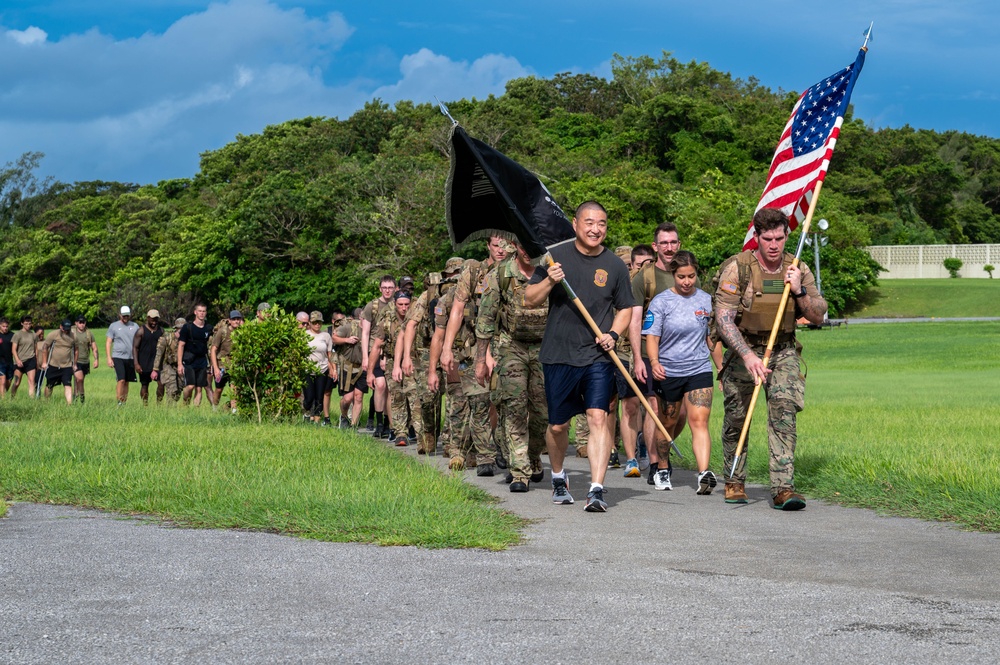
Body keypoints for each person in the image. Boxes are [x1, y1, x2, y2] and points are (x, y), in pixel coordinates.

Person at [524, 201, 634, 513]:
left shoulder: (615, 265)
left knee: (598, 417)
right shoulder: (554, 256)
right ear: (575, 224)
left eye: (601, 223)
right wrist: (550, 280)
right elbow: (529, 299)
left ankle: (597, 488)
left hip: (597, 356)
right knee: (558, 425)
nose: (595, 229)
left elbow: (626, 308)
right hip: (558, 354)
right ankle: (559, 476)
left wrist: (613, 334)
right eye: (589, 222)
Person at [714, 207, 827, 510]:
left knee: (783, 413)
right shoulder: (738, 268)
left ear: (787, 235)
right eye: (767, 239)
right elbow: (723, 319)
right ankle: (735, 480)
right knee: (738, 416)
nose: (774, 245)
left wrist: (799, 291)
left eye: (779, 238)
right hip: (744, 349)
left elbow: (817, 315)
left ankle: (783, 487)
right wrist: (748, 356)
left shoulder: (798, 268)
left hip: (783, 349)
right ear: (757, 237)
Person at [642, 251, 722, 493]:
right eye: (681, 277)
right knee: (667, 422)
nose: (687, 281)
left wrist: (721, 368)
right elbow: (652, 337)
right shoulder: (661, 302)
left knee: (700, 421)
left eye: (691, 276)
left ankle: (704, 473)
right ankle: (663, 468)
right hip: (669, 371)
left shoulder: (706, 300)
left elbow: (712, 339)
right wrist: (654, 363)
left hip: (698, 368)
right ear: (673, 275)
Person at [475, 242, 549, 491]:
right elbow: (485, 318)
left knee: (542, 413)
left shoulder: (551, 268)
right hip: (510, 347)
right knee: (514, 408)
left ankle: (532, 455)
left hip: (544, 348)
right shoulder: (499, 274)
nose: (527, 251)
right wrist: (480, 360)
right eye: (522, 245)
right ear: (515, 246)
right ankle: (519, 472)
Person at [629, 222, 697, 486]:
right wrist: (638, 358)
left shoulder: (688, 272)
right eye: (664, 243)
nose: (669, 247)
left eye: (673, 242)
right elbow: (635, 321)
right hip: (651, 350)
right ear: (655, 246)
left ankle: (661, 450)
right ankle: (656, 465)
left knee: (679, 414)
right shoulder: (643, 278)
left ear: (678, 244)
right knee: (655, 408)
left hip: (682, 354)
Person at [428, 257, 496, 473]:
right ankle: (457, 450)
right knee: (458, 405)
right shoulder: (447, 301)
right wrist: (433, 370)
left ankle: (480, 453)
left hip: (480, 356)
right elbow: (438, 337)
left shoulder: (486, 294)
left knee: (481, 404)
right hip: (457, 358)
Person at [402, 264, 461, 455]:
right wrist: (406, 357)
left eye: (458, 275)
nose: (454, 279)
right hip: (428, 350)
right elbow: (411, 325)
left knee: (456, 397)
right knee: (428, 398)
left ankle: (451, 440)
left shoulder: (468, 293)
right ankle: (428, 433)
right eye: (452, 275)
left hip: (458, 349)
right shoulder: (429, 295)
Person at [367, 290, 414, 446]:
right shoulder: (386, 320)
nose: (404, 308)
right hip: (392, 360)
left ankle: (414, 428)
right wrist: (369, 372)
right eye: (400, 304)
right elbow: (376, 346)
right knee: (396, 395)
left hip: (413, 361)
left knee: (414, 397)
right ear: (395, 304)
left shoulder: (416, 317)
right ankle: (399, 432)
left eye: (407, 304)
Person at [360, 275, 397, 437]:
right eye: (384, 287)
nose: (387, 290)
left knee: (390, 388)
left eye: (390, 287)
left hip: (392, 352)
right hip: (374, 350)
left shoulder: (399, 304)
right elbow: (365, 333)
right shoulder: (372, 306)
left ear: (395, 288)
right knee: (380, 385)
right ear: (380, 289)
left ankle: (390, 424)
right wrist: (365, 358)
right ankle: (379, 422)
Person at [332, 309, 368, 428]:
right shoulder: (348, 327)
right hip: (347, 366)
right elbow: (334, 338)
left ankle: (354, 425)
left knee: (358, 396)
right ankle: (344, 416)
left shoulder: (371, 330)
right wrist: (346, 340)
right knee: (347, 398)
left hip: (363, 367)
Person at [177, 303, 214, 406]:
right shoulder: (187, 327)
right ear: (195, 312)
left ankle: (195, 411)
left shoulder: (208, 328)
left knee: (199, 388)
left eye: (204, 311)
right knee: (190, 386)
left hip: (202, 361)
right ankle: (185, 403)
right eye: (200, 311)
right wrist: (180, 364)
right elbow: (181, 345)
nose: (202, 313)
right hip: (189, 360)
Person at [303, 311, 335, 424]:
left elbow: (329, 354)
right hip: (307, 369)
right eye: (315, 322)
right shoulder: (304, 335)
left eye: (319, 322)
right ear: (310, 323)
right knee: (309, 397)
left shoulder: (326, 336)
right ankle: (307, 413)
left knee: (319, 396)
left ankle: (316, 419)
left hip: (322, 369)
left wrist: (333, 369)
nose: (317, 325)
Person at [106, 306, 140, 405]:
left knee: (127, 381)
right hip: (118, 356)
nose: (125, 317)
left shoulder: (135, 326)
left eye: (127, 315)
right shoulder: (114, 326)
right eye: (124, 315)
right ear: (120, 315)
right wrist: (109, 358)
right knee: (121, 379)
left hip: (130, 357)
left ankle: (124, 402)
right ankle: (119, 402)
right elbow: (108, 342)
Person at [211, 310, 243, 411]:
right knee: (219, 389)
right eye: (234, 319)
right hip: (222, 365)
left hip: (235, 365)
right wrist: (215, 368)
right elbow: (213, 349)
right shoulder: (222, 331)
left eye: (238, 319)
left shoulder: (242, 332)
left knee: (234, 389)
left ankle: (234, 411)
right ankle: (214, 408)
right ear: (229, 320)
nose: (236, 321)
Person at [41, 320, 78, 404]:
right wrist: (44, 362)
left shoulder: (73, 336)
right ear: (61, 327)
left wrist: (74, 363)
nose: (66, 331)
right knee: (50, 385)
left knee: (68, 385)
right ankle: (46, 402)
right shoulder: (53, 334)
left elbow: (76, 350)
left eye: (68, 329)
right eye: (64, 329)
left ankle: (69, 405)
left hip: (67, 366)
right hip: (53, 365)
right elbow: (45, 347)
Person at [132, 309, 163, 406]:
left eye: (156, 319)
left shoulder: (161, 331)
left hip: (158, 363)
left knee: (161, 384)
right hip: (144, 362)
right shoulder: (141, 331)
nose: (154, 322)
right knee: (145, 385)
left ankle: (159, 405)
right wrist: (136, 363)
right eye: (152, 319)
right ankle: (145, 405)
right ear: (148, 318)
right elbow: (135, 348)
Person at [152, 318, 185, 403]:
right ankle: (169, 411)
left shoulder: (187, 339)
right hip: (168, 365)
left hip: (180, 366)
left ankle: (172, 406)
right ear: (176, 328)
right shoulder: (167, 338)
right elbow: (159, 354)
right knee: (171, 389)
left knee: (179, 389)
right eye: (179, 328)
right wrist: (155, 369)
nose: (181, 331)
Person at [71, 315, 99, 403]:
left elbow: (94, 347)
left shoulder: (88, 333)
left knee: (80, 381)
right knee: (79, 379)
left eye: (83, 322)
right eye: (80, 322)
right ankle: (78, 399)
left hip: (85, 361)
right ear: (76, 323)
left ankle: (79, 400)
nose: (82, 324)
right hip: (75, 360)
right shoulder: (71, 332)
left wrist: (96, 359)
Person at [11, 315, 38, 399]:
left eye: (29, 323)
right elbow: (13, 350)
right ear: (22, 323)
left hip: (31, 360)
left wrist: (37, 361)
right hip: (19, 361)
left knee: (31, 381)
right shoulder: (17, 335)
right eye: (26, 323)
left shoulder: (33, 334)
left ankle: (31, 400)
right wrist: (17, 360)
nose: (28, 325)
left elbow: (36, 348)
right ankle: (12, 397)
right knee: (16, 382)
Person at [0, 318, 14, 396]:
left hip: (9, 361)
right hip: (0, 361)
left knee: (9, 381)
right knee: (3, 380)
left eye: (6, 326)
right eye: (3, 326)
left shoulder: (12, 335)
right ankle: (3, 399)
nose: (5, 328)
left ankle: (3, 394)